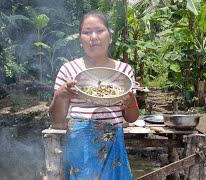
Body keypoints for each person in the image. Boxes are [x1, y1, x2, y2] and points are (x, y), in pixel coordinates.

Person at [49, 11, 139, 180]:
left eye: (99, 30)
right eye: (87, 32)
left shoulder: (124, 72)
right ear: (80, 39)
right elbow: (56, 120)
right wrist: (61, 95)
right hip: (79, 148)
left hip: (114, 146)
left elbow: (132, 117)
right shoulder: (68, 70)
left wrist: (131, 101)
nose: (94, 37)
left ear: (110, 36)